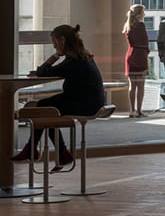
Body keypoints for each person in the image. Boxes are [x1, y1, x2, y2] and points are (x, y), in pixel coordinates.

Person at [11, 24, 105, 170]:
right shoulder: (81, 57)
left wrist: (55, 56)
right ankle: (58, 152)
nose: (54, 47)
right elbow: (45, 71)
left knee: (44, 108)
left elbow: (43, 72)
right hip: (90, 101)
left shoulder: (73, 61)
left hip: (85, 104)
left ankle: (37, 150)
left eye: (55, 43)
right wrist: (44, 69)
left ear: (62, 41)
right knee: (46, 110)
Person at [122, 3, 149, 117]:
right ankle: (139, 110)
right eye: (143, 12)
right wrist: (146, 52)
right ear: (138, 15)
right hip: (140, 56)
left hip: (131, 55)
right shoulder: (141, 26)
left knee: (132, 86)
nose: (144, 14)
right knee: (141, 85)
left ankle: (132, 110)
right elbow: (145, 41)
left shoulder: (127, 26)